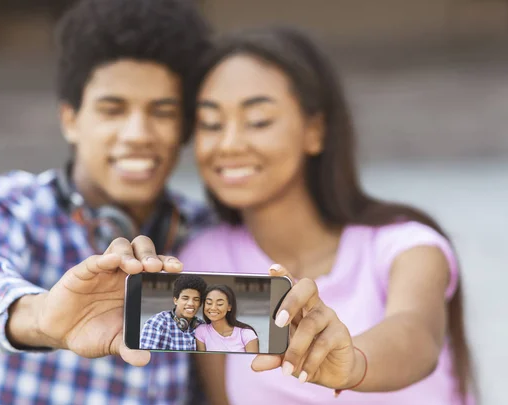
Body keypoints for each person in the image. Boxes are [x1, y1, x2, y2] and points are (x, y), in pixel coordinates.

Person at [0, 0, 214, 404]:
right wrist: (41, 318)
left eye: (162, 112)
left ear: (184, 128)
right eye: (113, 109)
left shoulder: (206, 231)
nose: (138, 133)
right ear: (70, 119)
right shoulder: (6, 205)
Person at [178, 26, 477, 404]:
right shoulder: (204, 259)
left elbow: (416, 336)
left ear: (315, 130)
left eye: (258, 121)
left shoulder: (405, 246)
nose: (229, 143)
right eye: (210, 124)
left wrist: (352, 363)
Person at [140, 274, 207, 350]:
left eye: (196, 299)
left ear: (200, 304)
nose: (190, 303)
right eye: (185, 298)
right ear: (175, 300)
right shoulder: (156, 323)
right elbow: (145, 357)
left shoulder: (202, 327)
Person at [195, 284, 259, 353]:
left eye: (220, 304)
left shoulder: (246, 333)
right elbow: (202, 361)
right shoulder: (201, 331)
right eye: (209, 303)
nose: (213, 308)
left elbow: (253, 362)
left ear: (229, 307)